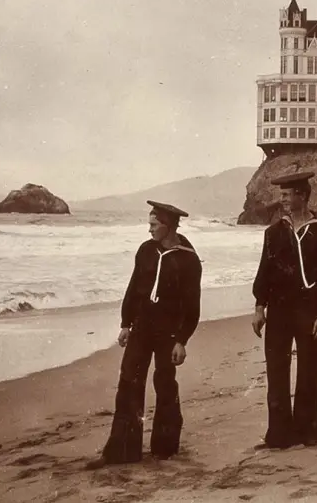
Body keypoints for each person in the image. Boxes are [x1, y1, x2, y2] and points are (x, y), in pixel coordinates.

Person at [86, 200, 202, 468]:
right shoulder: (146, 250)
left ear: (169, 226)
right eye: (149, 224)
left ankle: (165, 447)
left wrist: (182, 341)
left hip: (168, 333)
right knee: (129, 382)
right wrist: (126, 324)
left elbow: (193, 305)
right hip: (142, 327)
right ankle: (122, 450)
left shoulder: (188, 259)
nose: (149, 230)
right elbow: (133, 289)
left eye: (154, 224)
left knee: (164, 383)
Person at [251, 171, 317, 449]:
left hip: (309, 310)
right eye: (282, 195)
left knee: (308, 370)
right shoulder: (274, 232)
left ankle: (307, 430)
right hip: (278, 309)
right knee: (276, 370)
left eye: (287, 195)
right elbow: (264, 271)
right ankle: (278, 434)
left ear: (302, 195)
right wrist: (259, 306)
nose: (283, 200)